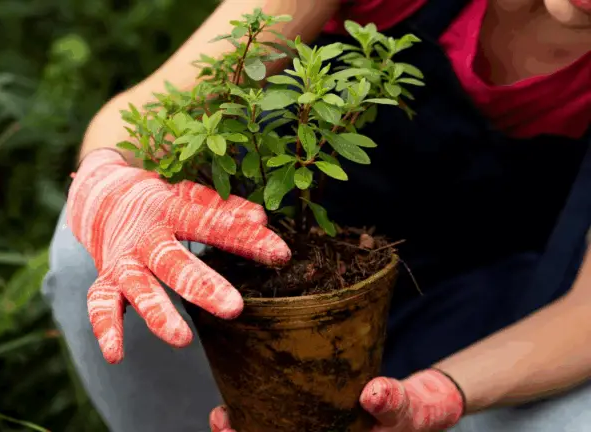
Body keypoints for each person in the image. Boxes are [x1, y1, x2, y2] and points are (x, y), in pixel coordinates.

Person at [41, 0, 591, 430]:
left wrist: (440, 393)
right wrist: (113, 183)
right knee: (90, 245)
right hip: (260, 291)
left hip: (494, 332)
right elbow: (151, 116)